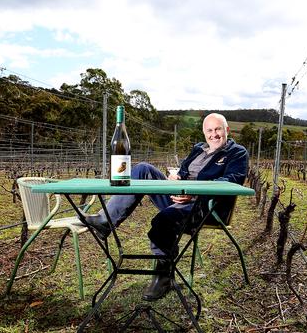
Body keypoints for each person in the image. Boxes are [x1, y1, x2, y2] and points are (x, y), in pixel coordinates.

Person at [82, 113, 249, 301]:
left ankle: (163, 276)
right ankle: (105, 220)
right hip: (179, 197)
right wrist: (177, 178)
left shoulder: (237, 152)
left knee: (164, 219)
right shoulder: (198, 149)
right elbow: (184, 171)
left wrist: (193, 193)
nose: (214, 134)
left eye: (218, 129)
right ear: (204, 133)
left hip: (205, 206)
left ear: (226, 130)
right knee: (142, 169)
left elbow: (232, 181)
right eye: (209, 130)